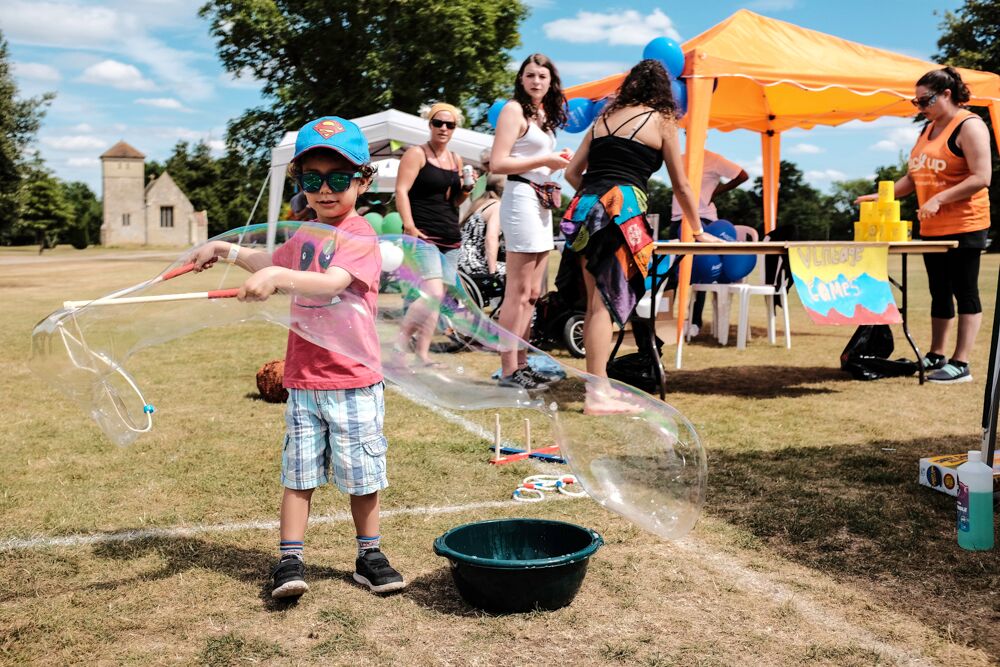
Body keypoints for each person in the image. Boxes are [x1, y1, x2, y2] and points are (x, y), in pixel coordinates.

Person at [189, 116, 406, 598]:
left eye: (338, 179)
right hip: (305, 380)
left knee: (361, 474)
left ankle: (369, 554)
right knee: (299, 474)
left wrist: (278, 281)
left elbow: (332, 283)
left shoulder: (360, 235)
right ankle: (290, 561)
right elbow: (272, 262)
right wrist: (226, 250)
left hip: (353, 379)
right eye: (312, 180)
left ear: (363, 181)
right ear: (300, 184)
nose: (325, 190)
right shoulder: (306, 232)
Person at [562, 59, 717, 414]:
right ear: (663, 91)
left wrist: (596, 194)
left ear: (629, 85)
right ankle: (596, 396)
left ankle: (598, 385)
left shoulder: (602, 118)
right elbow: (681, 184)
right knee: (602, 305)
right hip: (620, 211)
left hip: (585, 209)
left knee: (592, 304)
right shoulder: (662, 120)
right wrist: (697, 229)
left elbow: (573, 173)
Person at [857, 67, 992, 384]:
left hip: (965, 224)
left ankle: (961, 363)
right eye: (915, 102)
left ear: (947, 94)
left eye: (924, 100)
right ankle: (936, 354)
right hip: (932, 228)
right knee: (939, 293)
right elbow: (914, 177)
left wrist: (939, 199)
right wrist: (880, 197)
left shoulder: (970, 126)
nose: (919, 107)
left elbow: (981, 177)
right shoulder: (928, 128)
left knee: (965, 293)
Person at [491, 53, 571, 390]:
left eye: (542, 76)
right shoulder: (513, 110)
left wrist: (554, 164)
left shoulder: (544, 116)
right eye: (530, 75)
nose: (536, 81)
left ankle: (522, 362)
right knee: (518, 291)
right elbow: (497, 162)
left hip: (541, 201)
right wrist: (546, 159)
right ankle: (509, 369)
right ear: (521, 80)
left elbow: (534, 161)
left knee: (534, 292)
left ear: (551, 81)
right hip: (522, 198)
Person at [394, 102, 475, 366]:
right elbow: (401, 191)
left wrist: (466, 188)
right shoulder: (416, 154)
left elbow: (455, 202)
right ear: (429, 125)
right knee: (433, 293)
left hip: (449, 236)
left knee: (434, 298)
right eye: (438, 123)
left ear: (454, 129)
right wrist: (409, 226)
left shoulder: (456, 159)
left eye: (449, 124)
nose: (443, 128)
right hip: (423, 233)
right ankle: (399, 348)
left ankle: (422, 354)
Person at [668, 145, 748, 337]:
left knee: (701, 268)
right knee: (672, 272)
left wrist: (716, 192)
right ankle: (669, 322)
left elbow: (742, 175)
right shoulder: (678, 158)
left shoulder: (714, 159)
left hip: (703, 219)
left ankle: (695, 320)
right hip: (677, 218)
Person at [457, 174, 506, 277]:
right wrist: (492, 273)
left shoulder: (480, 203)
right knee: (517, 272)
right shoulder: (497, 206)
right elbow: (491, 238)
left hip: (460, 259)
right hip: (473, 263)